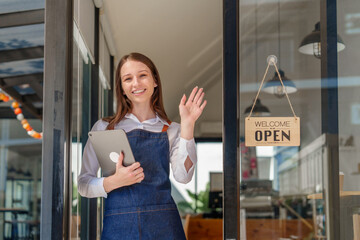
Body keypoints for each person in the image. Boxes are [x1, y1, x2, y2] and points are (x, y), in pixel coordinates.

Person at [78, 52, 206, 239]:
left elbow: (184, 177)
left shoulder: (171, 129)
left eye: (143, 75)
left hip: (164, 225)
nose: (136, 83)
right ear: (122, 88)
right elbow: (83, 184)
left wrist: (188, 126)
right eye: (128, 79)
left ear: (155, 81)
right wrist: (112, 182)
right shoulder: (104, 128)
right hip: (119, 227)